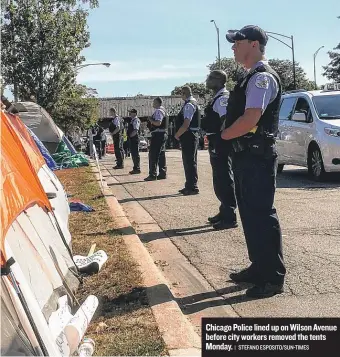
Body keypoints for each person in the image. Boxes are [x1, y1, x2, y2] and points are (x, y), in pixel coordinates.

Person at [221, 25, 286, 298]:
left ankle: (272, 278)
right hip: (247, 155)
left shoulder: (262, 78)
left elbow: (250, 119)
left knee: (260, 214)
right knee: (249, 214)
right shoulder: (250, 77)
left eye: (238, 42)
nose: (233, 47)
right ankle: (259, 266)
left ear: (254, 44)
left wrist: (223, 135)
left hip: (256, 156)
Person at [201, 70, 238, 230]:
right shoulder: (217, 97)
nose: (207, 80)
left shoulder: (222, 98)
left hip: (221, 140)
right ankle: (224, 210)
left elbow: (226, 120)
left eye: (210, 78)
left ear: (218, 80)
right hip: (216, 139)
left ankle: (229, 216)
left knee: (224, 177)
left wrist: (220, 139)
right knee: (219, 177)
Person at [175, 86, 200, 195]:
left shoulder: (189, 104)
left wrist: (177, 135)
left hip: (188, 135)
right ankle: (189, 185)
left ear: (184, 93)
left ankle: (192, 186)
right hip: (191, 135)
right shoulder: (192, 103)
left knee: (189, 161)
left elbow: (186, 123)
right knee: (190, 161)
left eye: (181, 93)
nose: (181, 95)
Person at [144, 97, 168, 181]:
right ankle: (162, 173)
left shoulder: (158, 111)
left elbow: (158, 123)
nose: (152, 104)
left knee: (153, 154)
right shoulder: (164, 110)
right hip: (162, 134)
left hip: (158, 134)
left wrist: (150, 119)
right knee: (161, 154)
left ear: (158, 103)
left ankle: (152, 175)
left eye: (154, 102)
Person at [127, 108, 141, 174]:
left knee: (135, 154)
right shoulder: (132, 120)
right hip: (132, 139)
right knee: (133, 154)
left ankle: (137, 168)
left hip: (134, 139)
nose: (129, 114)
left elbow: (136, 130)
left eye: (131, 112)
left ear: (135, 113)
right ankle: (135, 168)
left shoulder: (136, 120)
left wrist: (131, 136)